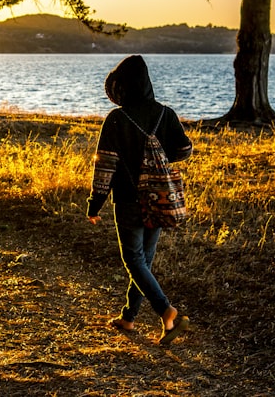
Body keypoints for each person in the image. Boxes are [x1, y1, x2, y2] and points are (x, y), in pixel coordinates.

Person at [87, 54, 193, 346]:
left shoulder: (117, 119)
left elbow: (105, 165)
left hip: (128, 200)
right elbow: (184, 150)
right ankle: (129, 317)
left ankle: (166, 310)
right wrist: (160, 158)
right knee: (143, 261)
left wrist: (95, 203)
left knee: (133, 259)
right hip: (159, 197)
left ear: (122, 87)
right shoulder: (165, 114)